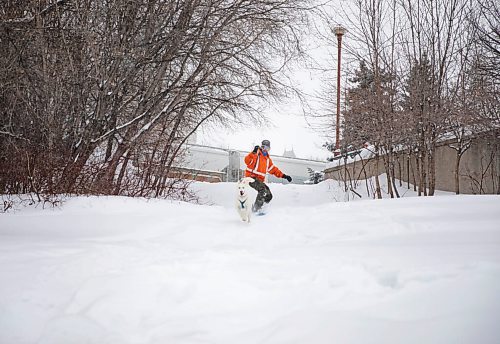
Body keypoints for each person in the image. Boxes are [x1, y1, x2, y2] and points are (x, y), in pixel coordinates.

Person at [244, 139, 292, 212]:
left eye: (267, 148)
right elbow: (247, 161)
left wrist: (284, 176)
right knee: (262, 190)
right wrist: (253, 153)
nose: (265, 150)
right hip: (251, 178)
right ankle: (256, 209)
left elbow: (274, 170)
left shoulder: (267, 160)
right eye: (263, 147)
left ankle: (262, 208)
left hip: (259, 181)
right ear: (261, 147)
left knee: (269, 195)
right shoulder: (256, 155)